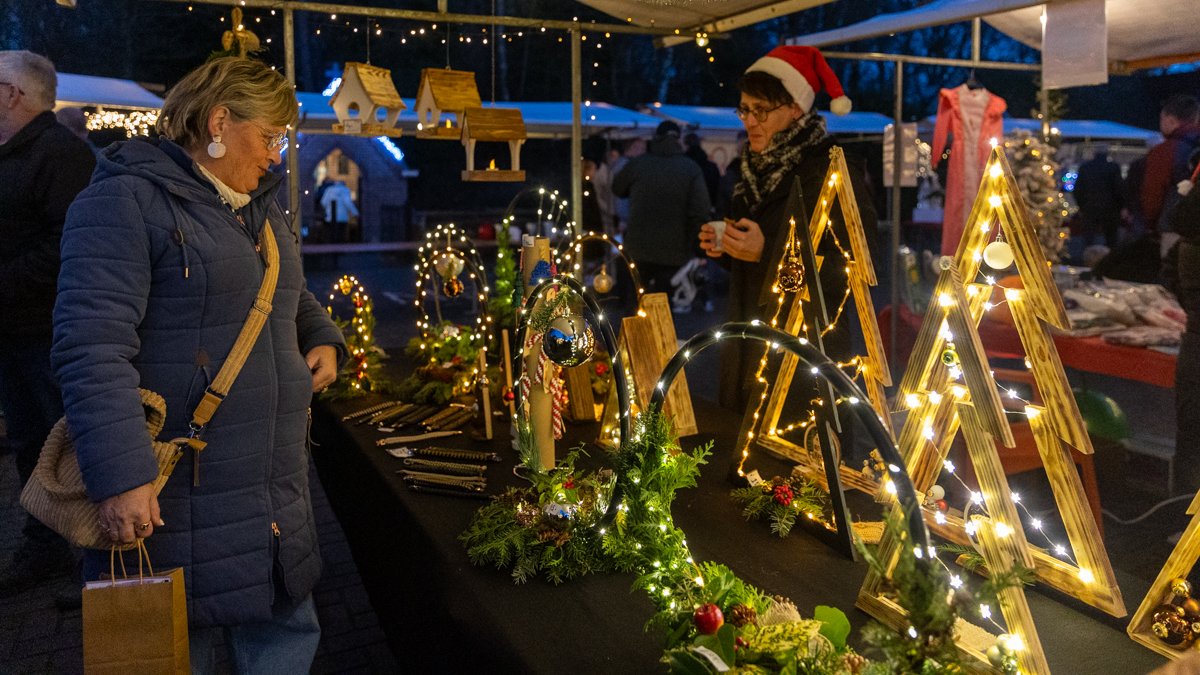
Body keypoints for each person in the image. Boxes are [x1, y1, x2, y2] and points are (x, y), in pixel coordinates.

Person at [53, 57, 346, 672]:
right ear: (219, 122)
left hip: (275, 500)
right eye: (270, 136)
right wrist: (121, 476)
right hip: (179, 501)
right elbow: (91, 348)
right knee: (193, 649)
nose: (276, 155)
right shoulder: (123, 201)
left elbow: (288, 290)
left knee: (282, 642)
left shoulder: (259, 205)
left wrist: (321, 334)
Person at [698, 45, 878, 411]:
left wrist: (768, 252)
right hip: (749, 340)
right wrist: (728, 248)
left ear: (796, 108)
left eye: (761, 110)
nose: (750, 121)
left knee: (796, 440)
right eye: (744, 109)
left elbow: (858, 264)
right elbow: (751, 258)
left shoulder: (831, 168)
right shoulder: (751, 170)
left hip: (807, 350)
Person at [0, 50, 96, 597]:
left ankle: (96, 555)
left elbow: (69, 246)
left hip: (50, 333)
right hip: (16, 329)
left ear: (13, 93)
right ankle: (45, 544)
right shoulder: (15, 153)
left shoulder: (60, 155)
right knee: (31, 443)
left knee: (68, 444)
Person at [613, 120, 712, 301]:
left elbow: (617, 188)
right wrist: (695, 247)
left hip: (638, 247)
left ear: (656, 137)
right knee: (664, 304)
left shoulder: (639, 164)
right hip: (673, 250)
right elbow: (700, 210)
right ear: (679, 139)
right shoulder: (690, 168)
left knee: (636, 301)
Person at [1141, 95, 1200, 238]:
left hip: (1175, 228)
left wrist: (1150, 223)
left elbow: (1153, 193)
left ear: (1171, 120)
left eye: (1162, 119)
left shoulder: (1166, 151)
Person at [1073, 148, 1125, 249]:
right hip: (1110, 208)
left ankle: (1089, 254)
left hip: (1089, 207)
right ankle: (1109, 255)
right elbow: (1119, 189)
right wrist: (1120, 206)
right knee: (1111, 238)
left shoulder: (1085, 167)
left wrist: (1082, 206)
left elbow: (1078, 189)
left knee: (1089, 238)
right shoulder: (1113, 167)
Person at [320, 178, 359, 243]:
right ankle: (340, 246)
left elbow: (323, 202)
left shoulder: (329, 190)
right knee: (341, 236)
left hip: (330, 217)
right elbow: (348, 203)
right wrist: (355, 213)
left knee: (331, 235)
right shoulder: (345, 190)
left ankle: (331, 246)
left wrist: (327, 210)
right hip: (342, 217)